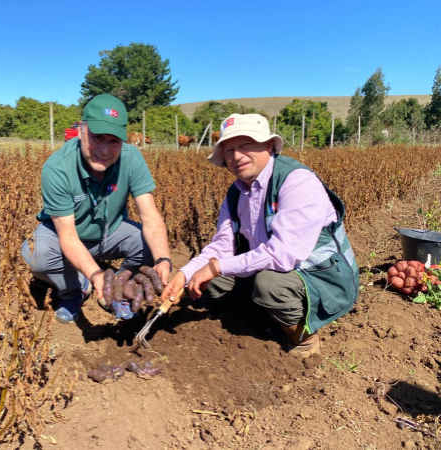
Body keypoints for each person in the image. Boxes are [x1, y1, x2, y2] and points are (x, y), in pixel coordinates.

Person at [161, 113, 359, 357]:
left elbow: (282, 255)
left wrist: (216, 267)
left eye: (246, 144)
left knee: (269, 285)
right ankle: (262, 315)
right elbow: (222, 247)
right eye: (229, 150)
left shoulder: (296, 181)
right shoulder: (236, 193)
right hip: (273, 268)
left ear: (268, 145)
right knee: (207, 281)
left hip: (323, 277)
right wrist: (184, 274)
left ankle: (302, 338)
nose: (236, 155)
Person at [21, 94, 171, 324]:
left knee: (150, 245)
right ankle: (75, 289)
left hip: (109, 232)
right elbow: (68, 235)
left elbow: (150, 216)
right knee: (35, 256)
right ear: (82, 130)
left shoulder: (132, 158)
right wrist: (95, 274)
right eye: (97, 137)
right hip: (63, 235)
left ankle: (118, 288)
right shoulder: (58, 167)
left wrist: (163, 259)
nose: (105, 150)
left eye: (114, 141)